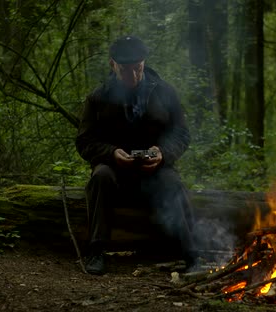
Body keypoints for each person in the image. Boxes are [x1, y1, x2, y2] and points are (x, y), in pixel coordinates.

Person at [75, 35, 196, 275]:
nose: (133, 76)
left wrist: (162, 153)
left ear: (144, 63)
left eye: (137, 69)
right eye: (125, 70)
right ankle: (96, 250)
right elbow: (84, 141)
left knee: (173, 182)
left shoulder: (164, 92)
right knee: (100, 176)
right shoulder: (98, 98)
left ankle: (189, 252)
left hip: (156, 170)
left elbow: (181, 134)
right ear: (113, 65)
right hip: (114, 171)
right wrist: (111, 153)